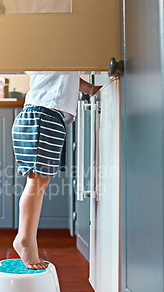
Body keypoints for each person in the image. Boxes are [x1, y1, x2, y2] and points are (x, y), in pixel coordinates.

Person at [12, 72, 101, 269]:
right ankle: (25, 239)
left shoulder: (63, 54)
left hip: (49, 117)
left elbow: (68, 76)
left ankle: (25, 238)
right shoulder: (53, 48)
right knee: (36, 183)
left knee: (39, 183)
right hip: (41, 115)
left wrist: (91, 89)